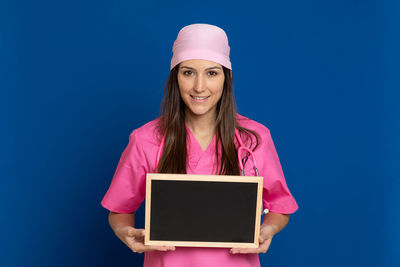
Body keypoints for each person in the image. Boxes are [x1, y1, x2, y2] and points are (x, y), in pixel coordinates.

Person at [101, 23, 298, 267]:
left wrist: (268, 229)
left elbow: (280, 206)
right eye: (188, 72)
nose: (199, 87)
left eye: (212, 73)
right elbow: (119, 210)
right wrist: (125, 233)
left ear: (227, 77)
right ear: (176, 77)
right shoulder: (146, 139)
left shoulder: (254, 138)